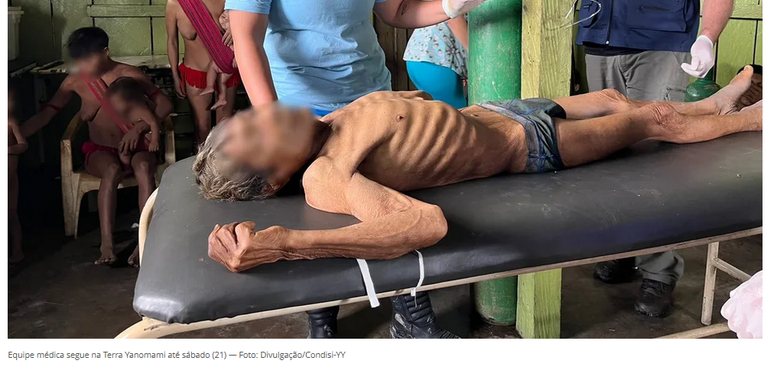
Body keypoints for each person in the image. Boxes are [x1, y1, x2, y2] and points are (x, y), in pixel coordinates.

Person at [224, 0, 494, 338]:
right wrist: (270, 119)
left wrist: (452, 4)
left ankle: (410, 310)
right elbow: (247, 40)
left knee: (394, 204)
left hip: (373, 105)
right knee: (322, 211)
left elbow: (397, 11)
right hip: (307, 115)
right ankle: (321, 312)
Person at [198, 69, 760, 306]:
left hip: (496, 112)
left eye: (251, 118)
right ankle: (753, 118)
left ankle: (711, 106)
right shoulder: (327, 176)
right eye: (260, 137)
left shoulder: (333, 118)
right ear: (275, 179)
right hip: (526, 146)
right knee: (651, 122)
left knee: (615, 98)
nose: (265, 116)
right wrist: (289, 243)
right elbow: (423, 224)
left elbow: (419, 115)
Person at [577, 0, 734, 316]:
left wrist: (707, 37)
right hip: (599, 49)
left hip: (663, 48)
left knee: (657, 157)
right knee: (604, 154)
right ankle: (620, 253)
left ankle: (658, 272)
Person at [21, 27, 173, 266]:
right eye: (80, 59)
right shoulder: (75, 82)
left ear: (105, 52)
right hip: (101, 149)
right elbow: (45, 116)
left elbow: (164, 105)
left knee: (144, 166)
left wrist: (139, 129)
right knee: (111, 171)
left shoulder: (129, 74)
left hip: (137, 147)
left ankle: (147, 239)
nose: (84, 64)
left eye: (89, 57)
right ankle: (107, 244)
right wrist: (16, 135)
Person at [166, 0, 240, 147]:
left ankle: (224, 174)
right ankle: (202, 172)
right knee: (202, 127)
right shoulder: (175, 4)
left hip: (226, 69)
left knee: (224, 128)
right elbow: (172, 41)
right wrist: (175, 75)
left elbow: (249, 28)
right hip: (195, 73)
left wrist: (236, 26)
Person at [106, 77, 161, 168]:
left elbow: (153, 124)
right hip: (131, 143)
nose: (113, 106)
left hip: (145, 143)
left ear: (130, 101)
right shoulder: (122, 112)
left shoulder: (142, 111)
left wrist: (155, 141)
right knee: (123, 153)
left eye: (115, 103)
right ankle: (127, 168)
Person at [8, 85, 28, 264]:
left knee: (11, 213)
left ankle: (17, 250)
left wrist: (8, 149)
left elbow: (23, 145)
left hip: (10, 176)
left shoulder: (10, 122)